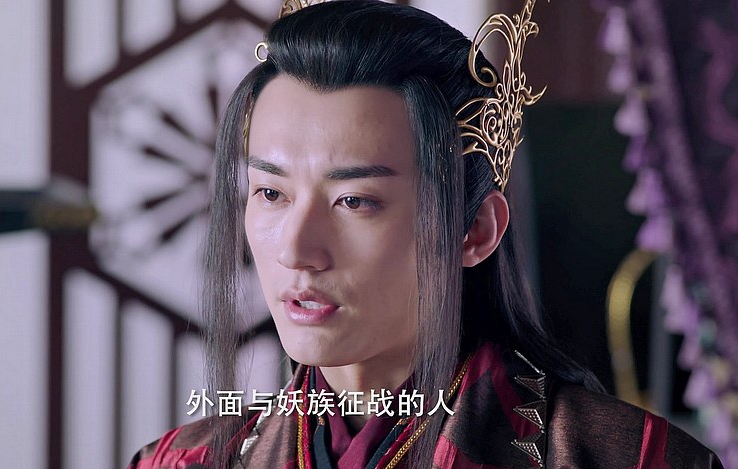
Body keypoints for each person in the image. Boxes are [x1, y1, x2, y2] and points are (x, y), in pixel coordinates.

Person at [129, 1, 724, 467]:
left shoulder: (624, 458)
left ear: (475, 231)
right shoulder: (180, 461)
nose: (295, 250)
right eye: (270, 193)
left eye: (354, 201)